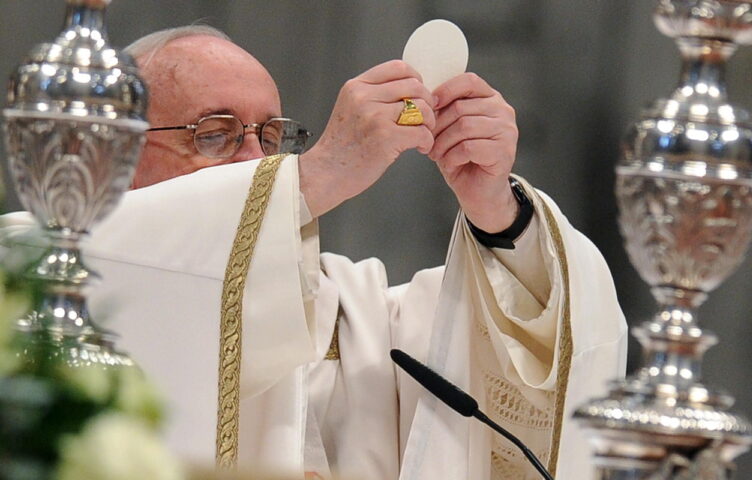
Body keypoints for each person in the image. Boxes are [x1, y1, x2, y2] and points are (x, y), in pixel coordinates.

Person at [1, 25, 627, 480]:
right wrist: (320, 172)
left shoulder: (352, 311)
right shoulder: (34, 271)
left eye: (273, 137)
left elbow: (522, 346)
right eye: (214, 135)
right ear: (116, 161)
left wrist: (496, 210)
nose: (256, 160)